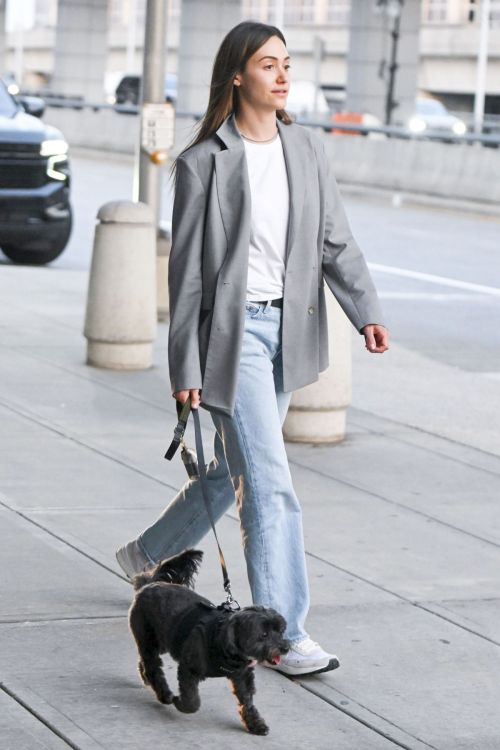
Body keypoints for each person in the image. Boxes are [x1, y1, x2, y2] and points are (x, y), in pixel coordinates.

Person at [116, 20, 389, 677]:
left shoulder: (306, 149)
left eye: (287, 63)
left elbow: (333, 239)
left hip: (289, 332)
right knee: (269, 486)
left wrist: (365, 311)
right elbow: (185, 275)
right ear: (238, 75)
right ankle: (284, 633)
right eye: (269, 64)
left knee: (231, 471)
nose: (284, 74)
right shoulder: (203, 160)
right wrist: (184, 364)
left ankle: (146, 554)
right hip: (228, 340)